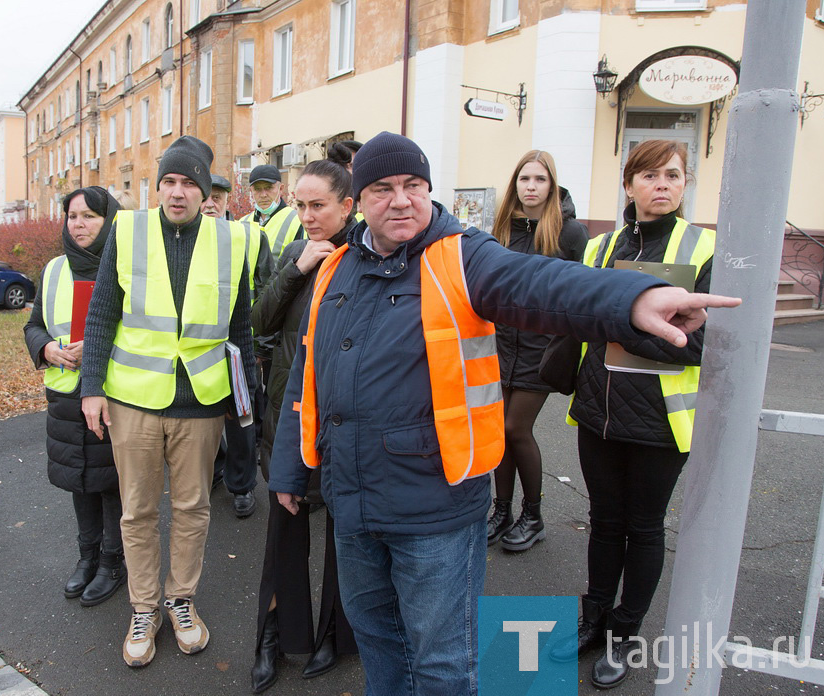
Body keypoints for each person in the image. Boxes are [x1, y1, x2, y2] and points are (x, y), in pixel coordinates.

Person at [266, 132, 739, 696]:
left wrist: (630, 301)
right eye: (383, 188)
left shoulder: (461, 254)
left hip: (435, 508)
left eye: (414, 186)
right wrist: (293, 470)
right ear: (358, 201)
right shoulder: (336, 268)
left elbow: (542, 284)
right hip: (354, 503)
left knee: (443, 665)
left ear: (429, 191)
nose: (401, 200)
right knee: (379, 644)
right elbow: (307, 379)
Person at [80, 136, 256, 667]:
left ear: (205, 190)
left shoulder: (232, 241)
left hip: (201, 401)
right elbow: (102, 315)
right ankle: (144, 608)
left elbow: (240, 327)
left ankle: (181, 601)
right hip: (133, 399)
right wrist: (91, 388)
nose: (178, 192)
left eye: (189, 183)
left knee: (192, 509)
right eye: (170, 182)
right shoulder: (127, 231)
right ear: (158, 187)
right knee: (136, 511)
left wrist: (244, 400)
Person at [549, 140, 716, 689]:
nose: (661, 185)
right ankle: (593, 619)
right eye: (648, 176)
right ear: (629, 185)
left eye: (673, 175)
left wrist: (619, 324)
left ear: (685, 183)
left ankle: (625, 635)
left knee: (643, 530)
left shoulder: (704, 247)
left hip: (662, 421)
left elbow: (699, 344)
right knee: (603, 522)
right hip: (598, 409)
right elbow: (575, 315)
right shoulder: (600, 248)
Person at [249, 159, 360, 693]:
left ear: (347, 205)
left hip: (344, 417)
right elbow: (260, 320)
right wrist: (297, 269)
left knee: (345, 529)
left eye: (319, 205)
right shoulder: (295, 251)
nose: (308, 216)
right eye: (300, 205)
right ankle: (274, 633)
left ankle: (335, 634)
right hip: (288, 415)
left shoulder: (367, 256)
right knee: (284, 527)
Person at [23, 186, 126, 607]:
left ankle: (112, 562)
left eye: (89, 216)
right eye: (72, 216)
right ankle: (86, 558)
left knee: (112, 483)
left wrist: (101, 344)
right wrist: (45, 347)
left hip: (113, 394)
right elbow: (33, 324)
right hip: (65, 396)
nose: (79, 224)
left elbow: (145, 331)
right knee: (79, 481)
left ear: (109, 220)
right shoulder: (53, 269)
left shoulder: (126, 265)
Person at [486, 150, 588, 551]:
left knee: (515, 428)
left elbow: (581, 292)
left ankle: (533, 514)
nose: (530, 187)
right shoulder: (502, 228)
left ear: (552, 185)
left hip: (542, 349)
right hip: (501, 345)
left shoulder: (570, 232)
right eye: (524, 180)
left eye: (539, 180)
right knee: (498, 432)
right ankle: (502, 510)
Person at [206, 172, 274, 517]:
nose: (209, 203)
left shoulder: (249, 236)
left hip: (239, 345)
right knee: (203, 418)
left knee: (242, 418)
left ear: (227, 201)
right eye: (205, 195)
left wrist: (261, 346)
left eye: (217, 197)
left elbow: (266, 290)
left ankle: (243, 485)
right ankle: (216, 469)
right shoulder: (180, 238)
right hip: (197, 346)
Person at [240, 164, 303, 257]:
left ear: (281, 188)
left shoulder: (297, 220)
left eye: (268, 188)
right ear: (251, 191)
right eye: (257, 189)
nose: (263, 195)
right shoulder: (243, 223)